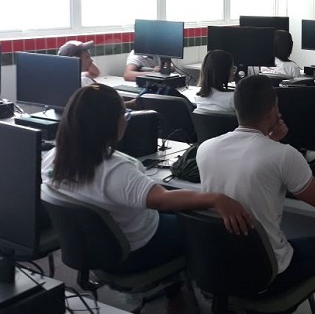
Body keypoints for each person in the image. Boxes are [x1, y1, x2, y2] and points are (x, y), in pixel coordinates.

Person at [196, 75, 315, 314]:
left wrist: (270, 141)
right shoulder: (283, 155)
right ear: (272, 111)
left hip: (220, 270)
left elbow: (251, 164)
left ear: (236, 108)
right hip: (267, 274)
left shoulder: (205, 148)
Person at [41, 84, 252, 280]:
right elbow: (162, 200)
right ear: (109, 123)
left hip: (94, 249)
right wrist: (216, 198)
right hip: (138, 250)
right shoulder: (115, 170)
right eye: (124, 115)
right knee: (202, 225)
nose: (126, 120)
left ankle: (175, 293)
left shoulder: (53, 158)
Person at [195, 50, 236, 114]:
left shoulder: (198, 97)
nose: (233, 71)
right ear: (224, 71)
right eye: (232, 68)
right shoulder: (232, 98)